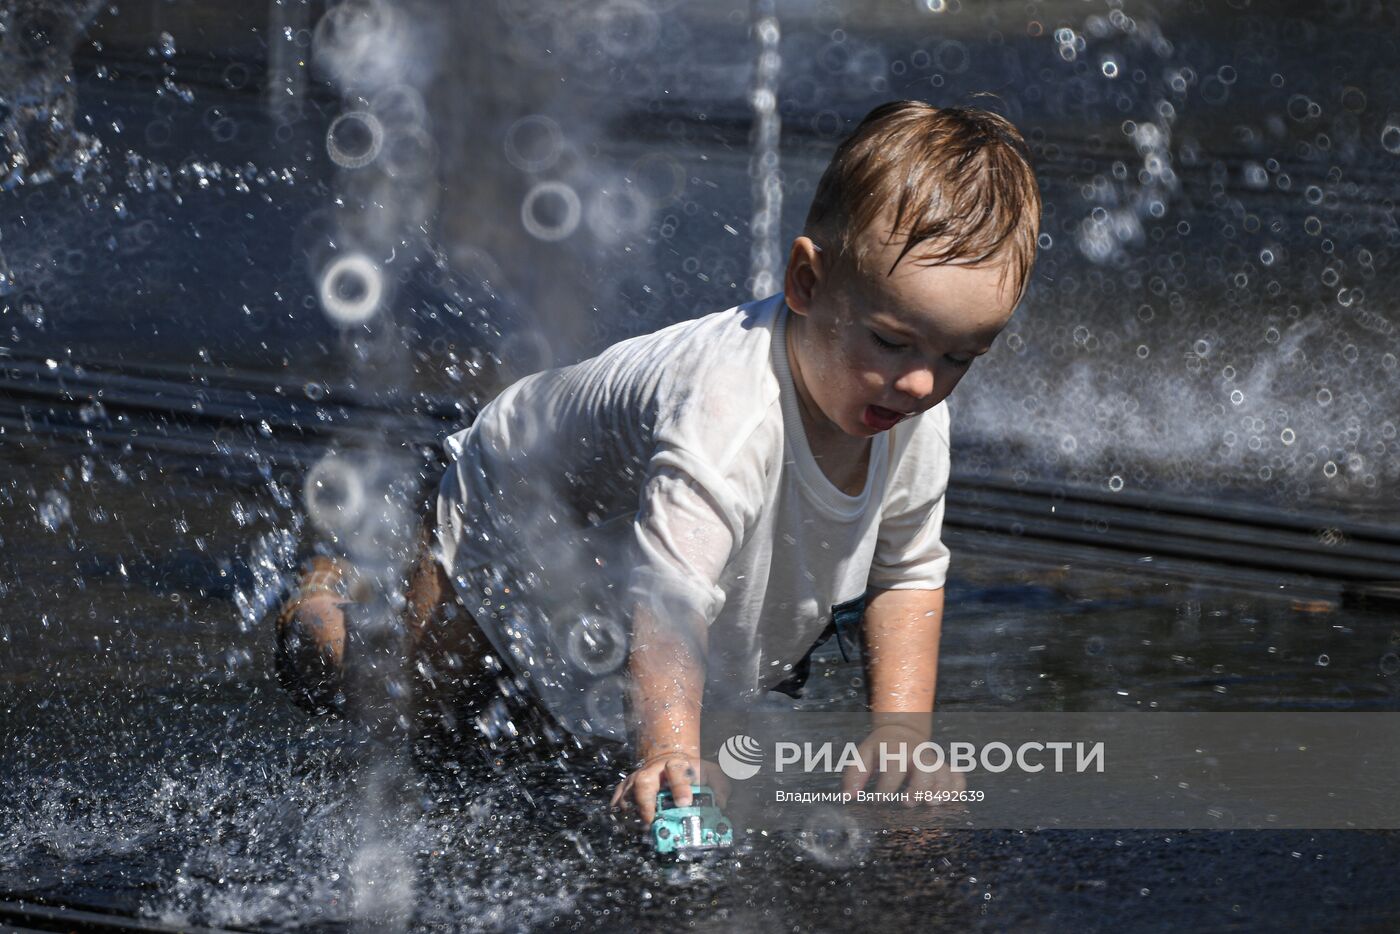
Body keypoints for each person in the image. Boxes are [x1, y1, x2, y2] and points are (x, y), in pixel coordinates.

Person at [273, 99, 1041, 825]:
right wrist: (671, 755)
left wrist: (901, 733)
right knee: (411, 711)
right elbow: (671, 592)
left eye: (959, 356)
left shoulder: (912, 410)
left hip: (621, 554)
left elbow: (906, 573)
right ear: (807, 282)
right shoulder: (730, 413)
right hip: (516, 498)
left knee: (551, 743)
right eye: (892, 341)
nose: (921, 382)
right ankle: (322, 608)